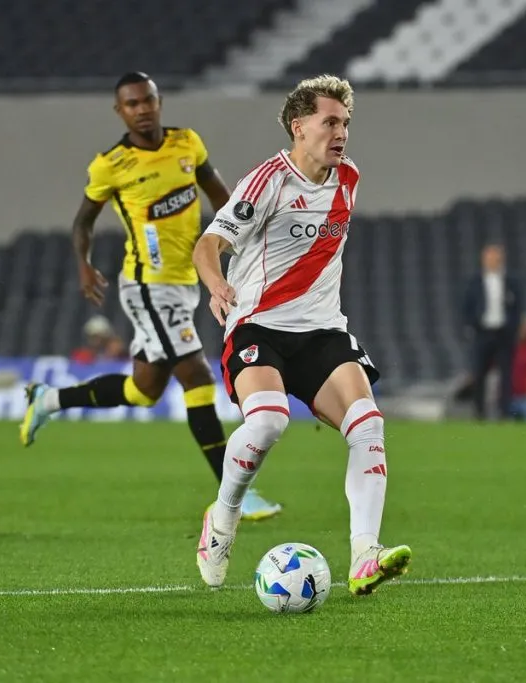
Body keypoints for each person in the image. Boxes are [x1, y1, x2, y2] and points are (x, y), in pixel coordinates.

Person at [19, 72, 281, 520]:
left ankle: (48, 400)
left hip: (184, 283)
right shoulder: (111, 165)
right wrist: (84, 263)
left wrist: (249, 233)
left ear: (159, 102)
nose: (141, 109)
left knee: (143, 390)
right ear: (120, 111)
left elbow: (222, 195)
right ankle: (235, 493)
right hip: (146, 284)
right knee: (196, 376)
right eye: (131, 104)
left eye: (147, 100)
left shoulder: (187, 144)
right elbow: (83, 221)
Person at [191, 74, 411, 596]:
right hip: (259, 326)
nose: (341, 133)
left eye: (346, 124)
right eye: (330, 122)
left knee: (368, 426)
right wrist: (217, 283)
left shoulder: (349, 178)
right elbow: (208, 244)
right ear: (299, 126)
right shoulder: (268, 180)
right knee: (267, 424)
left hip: (322, 330)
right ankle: (222, 519)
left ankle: (365, 554)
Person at [463, 244, 522, 420]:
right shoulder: (474, 281)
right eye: (490, 258)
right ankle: (479, 412)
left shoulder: (511, 281)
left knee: (506, 375)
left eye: (496, 258)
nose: (493, 261)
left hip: (504, 334)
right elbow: (467, 307)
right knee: (479, 373)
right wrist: (473, 325)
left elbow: (518, 307)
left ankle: (504, 413)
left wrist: (513, 327)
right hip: (483, 333)